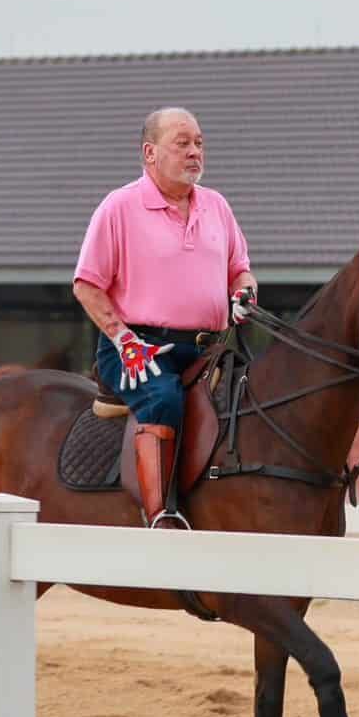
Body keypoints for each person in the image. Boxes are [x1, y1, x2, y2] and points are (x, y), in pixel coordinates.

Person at [73, 107, 258, 528]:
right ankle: (161, 514)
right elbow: (86, 285)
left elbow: (239, 269)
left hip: (209, 349)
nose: (195, 152)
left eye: (199, 143)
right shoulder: (118, 207)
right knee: (163, 398)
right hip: (136, 347)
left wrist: (244, 291)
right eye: (183, 143)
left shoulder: (217, 206)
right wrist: (123, 339)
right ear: (150, 152)